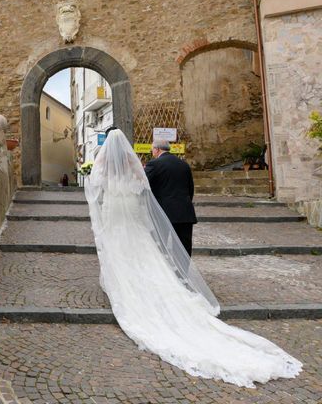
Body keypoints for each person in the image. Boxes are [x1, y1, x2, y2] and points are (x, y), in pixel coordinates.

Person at [84, 129, 301, 388]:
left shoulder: (108, 170)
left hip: (115, 215)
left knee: (121, 251)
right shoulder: (146, 169)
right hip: (146, 215)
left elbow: (96, 192)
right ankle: (171, 283)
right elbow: (148, 193)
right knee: (153, 254)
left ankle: (123, 285)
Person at [144, 140, 196, 256]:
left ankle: (164, 272)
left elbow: (144, 185)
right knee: (184, 247)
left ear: (157, 149)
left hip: (163, 212)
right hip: (185, 212)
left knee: (161, 245)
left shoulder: (154, 164)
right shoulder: (184, 164)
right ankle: (182, 273)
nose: (152, 152)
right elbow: (190, 189)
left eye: (152, 149)